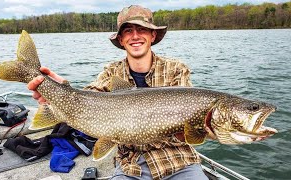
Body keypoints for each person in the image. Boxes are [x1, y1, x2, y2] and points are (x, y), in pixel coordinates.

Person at [28, 5, 208, 180]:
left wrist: (205, 129)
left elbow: (191, 125)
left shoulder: (177, 69)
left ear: (153, 35)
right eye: (128, 31)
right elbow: (88, 96)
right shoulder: (111, 72)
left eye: (142, 29)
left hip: (178, 160)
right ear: (121, 39)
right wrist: (61, 90)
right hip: (131, 165)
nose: (135, 36)